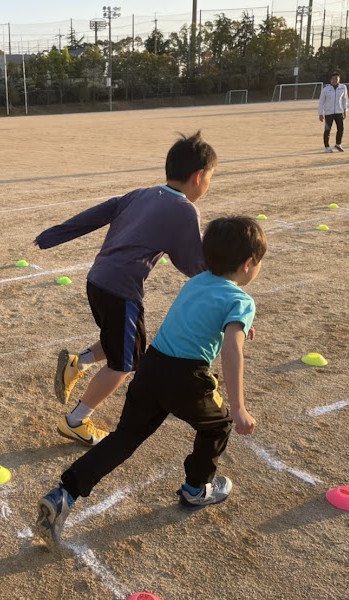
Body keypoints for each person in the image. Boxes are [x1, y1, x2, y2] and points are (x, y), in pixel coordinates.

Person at [36, 216, 267, 544]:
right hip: (187, 378)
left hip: (152, 369)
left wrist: (238, 327)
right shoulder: (241, 300)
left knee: (125, 437)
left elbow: (203, 318)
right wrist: (240, 405)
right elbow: (231, 348)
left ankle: (65, 494)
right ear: (248, 264)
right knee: (219, 424)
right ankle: (196, 489)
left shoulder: (198, 281)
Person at [34, 131, 215, 447]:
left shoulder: (141, 193)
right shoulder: (185, 209)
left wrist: (55, 234)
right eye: (211, 177)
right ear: (199, 176)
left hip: (98, 280)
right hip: (121, 290)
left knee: (127, 343)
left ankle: (80, 363)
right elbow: (190, 264)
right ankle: (76, 421)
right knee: (125, 363)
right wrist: (221, 286)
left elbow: (102, 210)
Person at [318, 72, 348, 153]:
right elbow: (321, 102)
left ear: (339, 79)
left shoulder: (343, 87)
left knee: (341, 128)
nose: (335, 80)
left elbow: (344, 99)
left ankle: (338, 144)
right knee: (327, 130)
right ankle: (327, 146)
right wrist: (320, 113)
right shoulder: (325, 90)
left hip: (339, 111)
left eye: (336, 79)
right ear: (330, 80)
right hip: (329, 113)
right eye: (333, 79)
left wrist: (345, 110)